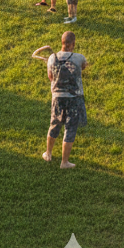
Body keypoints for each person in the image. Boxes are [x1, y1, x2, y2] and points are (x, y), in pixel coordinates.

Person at [31, 31, 87, 169]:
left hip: (57, 97)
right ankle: (64, 162)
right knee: (70, 128)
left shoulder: (52, 58)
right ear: (73, 44)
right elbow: (83, 67)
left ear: (62, 42)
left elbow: (50, 76)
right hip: (74, 98)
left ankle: (48, 154)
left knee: (54, 124)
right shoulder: (79, 58)